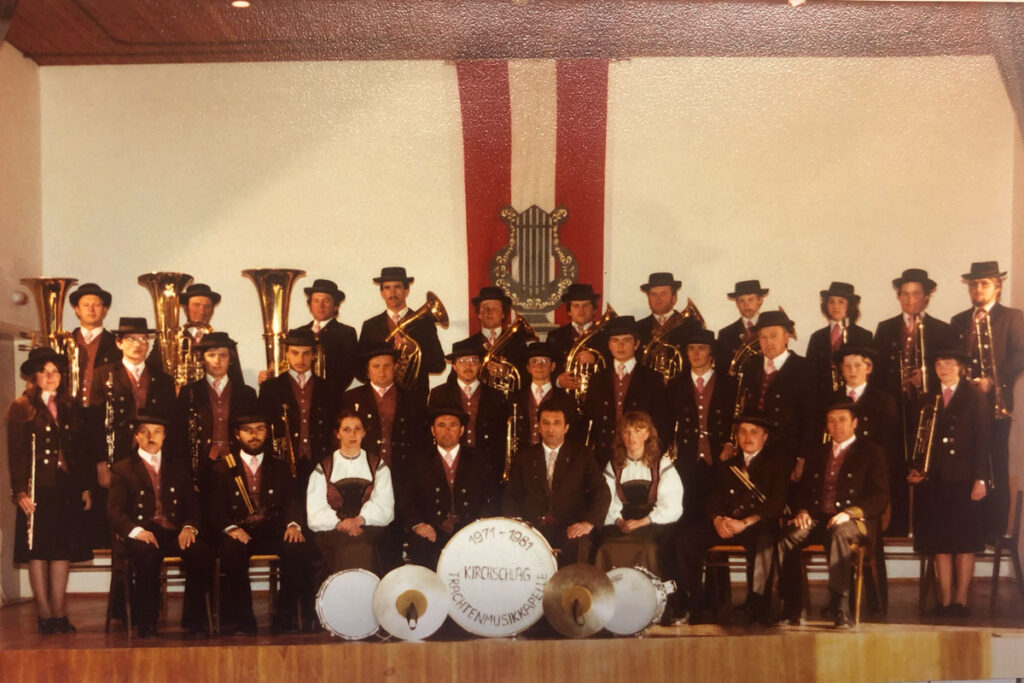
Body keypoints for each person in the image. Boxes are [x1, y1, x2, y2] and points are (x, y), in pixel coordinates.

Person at [776, 399, 889, 628]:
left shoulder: (872, 452)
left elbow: (880, 496)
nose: (837, 426)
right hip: (819, 518)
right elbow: (804, 491)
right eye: (831, 421)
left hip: (855, 522)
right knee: (788, 537)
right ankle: (793, 607)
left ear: (855, 423)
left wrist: (849, 512)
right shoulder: (818, 452)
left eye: (842, 420)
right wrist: (803, 510)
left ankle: (840, 606)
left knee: (839, 532)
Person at [6, 348, 93, 634]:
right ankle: (43, 613)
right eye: (44, 371)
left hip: (65, 486)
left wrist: (83, 487)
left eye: (55, 371)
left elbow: (79, 451)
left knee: (61, 551)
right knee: (38, 551)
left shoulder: (70, 405)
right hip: (36, 487)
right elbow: (16, 453)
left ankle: (59, 612)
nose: (50, 376)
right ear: (34, 376)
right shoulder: (21, 406)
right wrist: (20, 491)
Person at [674, 412, 787, 624]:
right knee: (686, 537)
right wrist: (717, 520)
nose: (747, 437)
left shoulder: (776, 465)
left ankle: (758, 605)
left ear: (765, 437)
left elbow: (776, 503)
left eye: (754, 432)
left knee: (765, 541)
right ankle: (689, 604)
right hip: (726, 524)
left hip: (755, 525)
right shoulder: (728, 464)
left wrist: (744, 523)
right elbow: (713, 498)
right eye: (742, 431)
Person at [106, 412, 213, 638]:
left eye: (156, 432)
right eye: (144, 432)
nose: (151, 437)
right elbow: (114, 510)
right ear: (137, 436)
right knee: (147, 554)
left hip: (173, 530)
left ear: (165, 436)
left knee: (200, 551)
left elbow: (193, 507)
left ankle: (194, 620)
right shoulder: (122, 468)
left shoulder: (178, 467)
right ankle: (147, 622)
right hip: (142, 531)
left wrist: (189, 527)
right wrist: (137, 531)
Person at [209, 413, 317, 634]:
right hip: (240, 528)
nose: (254, 435)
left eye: (260, 429)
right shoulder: (222, 468)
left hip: (272, 528)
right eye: (248, 430)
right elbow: (214, 508)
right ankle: (245, 621)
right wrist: (231, 528)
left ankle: (284, 618)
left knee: (297, 548)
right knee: (231, 552)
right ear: (237, 434)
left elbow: (292, 501)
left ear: (267, 433)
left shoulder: (280, 466)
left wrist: (294, 524)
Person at [908, 349, 991, 618]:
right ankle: (944, 602)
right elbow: (918, 440)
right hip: (934, 482)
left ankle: (961, 601)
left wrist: (981, 479)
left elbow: (982, 441)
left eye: (949, 363)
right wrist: (916, 469)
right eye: (938, 363)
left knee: (964, 543)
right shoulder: (927, 398)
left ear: (960, 368)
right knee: (939, 544)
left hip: (964, 480)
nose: (942, 368)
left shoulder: (974, 396)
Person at [949, 261, 1024, 538]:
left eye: (984, 283)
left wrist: (994, 379)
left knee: (996, 463)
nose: (978, 289)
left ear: (998, 286)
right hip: (967, 407)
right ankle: (970, 527)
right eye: (974, 284)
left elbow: (1020, 355)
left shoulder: (1012, 317)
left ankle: (994, 528)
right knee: (969, 464)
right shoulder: (958, 320)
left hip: (997, 404)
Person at [501, 396, 610, 566]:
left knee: (581, 543)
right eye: (546, 423)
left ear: (566, 427)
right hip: (532, 527)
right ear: (539, 426)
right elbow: (510, 497)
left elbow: (601, 492)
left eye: (557, 423)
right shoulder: (524, 458)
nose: (551, 428)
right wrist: (519, 526)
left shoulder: (583, 455)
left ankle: (575, 592)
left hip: (570, 527)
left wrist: (588, 523)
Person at [873, 268, 955, 492]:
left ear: (926, 297)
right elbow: (877, 374)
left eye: (916, 293)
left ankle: (924, 527)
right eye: (905, 294)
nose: (910, 299)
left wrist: (927, 378)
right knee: (894, 470)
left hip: (927, 413)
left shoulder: (943, 330)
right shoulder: (885, 328)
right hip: (894, 412)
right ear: (898, 297)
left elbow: (952, 375)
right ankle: (898, 527)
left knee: (927, 471)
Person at [399, 407, 499, 569]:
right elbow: (407, 500)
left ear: (461, 430)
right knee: (420, 547)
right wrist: (419, 524)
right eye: (441, 425)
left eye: (453, 425)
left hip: (471, 529)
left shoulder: (479, 459)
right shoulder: (419, 460)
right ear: (433, 430)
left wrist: (480, 527)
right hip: (433, 528)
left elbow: (492, 497)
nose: (447, 430)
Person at [594, 411, 682, 578]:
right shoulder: (614, 465)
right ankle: (611, 595)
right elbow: (606, 499)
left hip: (654, 522)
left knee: (646, 546)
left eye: (637, 430)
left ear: (648, 434)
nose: (631, 436)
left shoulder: (661, 464)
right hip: (622, 521)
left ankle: (650, 597)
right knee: (607, 546)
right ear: (621, 435)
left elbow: (672, 503)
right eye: (626, 431)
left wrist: (643, 521)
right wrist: (619, 521)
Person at [306, 410, 395, 574]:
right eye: (346, 429)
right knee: (346, 545)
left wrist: (360, 519)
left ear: (364, 433)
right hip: (332, 528)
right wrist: (340, 524)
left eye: (357, 429)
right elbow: (315, 511)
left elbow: (385, 504)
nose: (352, 434)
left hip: (370, 526)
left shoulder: (378, 466)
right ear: (337, 434)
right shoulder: (323, 468)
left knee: (365, 545)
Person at [583, 316, 670, 469]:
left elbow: (662, 422)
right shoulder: (597, 379)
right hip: (603, 456)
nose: (620, 345)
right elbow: (588, 419)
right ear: (609, 345)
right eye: (615, 340)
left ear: (636, 344)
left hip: (640, 456)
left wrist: (653, 455)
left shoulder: (653, 379)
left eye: (627, 340)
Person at [176, 332, 257, 496]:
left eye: (223, 355)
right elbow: (179, 435)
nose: (217, 360)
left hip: (238, 464)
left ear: (231, 359)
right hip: (201, 466)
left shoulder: (247, 393)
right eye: (211, 355)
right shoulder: (188, 392)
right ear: (202, 359)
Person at [736, 310, 815, 476]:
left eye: (774, 336)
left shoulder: (804, 368)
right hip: (753, 452)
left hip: (787, 453)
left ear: (786, 337)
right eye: (763, 337)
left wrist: (803, 458)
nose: (768, 342)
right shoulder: (751, 366)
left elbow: (811, 419)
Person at [667, 329, 735, 522]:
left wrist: (731, 444)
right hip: (687, 460)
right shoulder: (675, 385)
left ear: (711, 353)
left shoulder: (729, 384)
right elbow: (667, 423)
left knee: (717, 515)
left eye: (702, 348)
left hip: (720, 460)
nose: (696, 353)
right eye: (691, 348)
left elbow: (736, 420)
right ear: (686, 353)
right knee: (687, 516)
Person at [340, 342, 424, 490]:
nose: (382, 371)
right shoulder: (351, 398)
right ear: (368, 370)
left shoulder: (412, 399)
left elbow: (421, 442)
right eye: (376, 366)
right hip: (363, 473)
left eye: (387, 366)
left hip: (403, 475)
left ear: (395, 367)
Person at [257, 328, 335, 484]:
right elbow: (263, 427)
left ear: (314, 355)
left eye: (306, 353)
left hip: (320, 460)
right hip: (283, 463)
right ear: (286, 354)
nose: (301, 359)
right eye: (295, 353)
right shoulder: (270, 387)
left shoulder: (329, 388)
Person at [357, 266, 445, 403]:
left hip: (414, 398)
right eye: (387, 288)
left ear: (406, 290)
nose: (392, 292)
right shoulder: (370, 326)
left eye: (397, 287)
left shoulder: (425, 324)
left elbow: (438, 365)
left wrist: (414, 350)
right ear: (381, 293)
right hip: (379, 398)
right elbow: (360, 369)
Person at [427, 339, 507, 484]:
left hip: (487, 468)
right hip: (450, 466)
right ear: (455, 366)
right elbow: (432, 434)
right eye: (462, 361)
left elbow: (500, 439)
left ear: (480, 364)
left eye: (473, 360)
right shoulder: (439, 394)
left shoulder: (496, 396)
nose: (468, 366)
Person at [805, 282, 873, 397]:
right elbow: (809, 374)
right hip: (823, 397)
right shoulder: (817, 337)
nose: (835, 306)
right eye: (831, 301)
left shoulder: (863, 335)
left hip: (854, 396)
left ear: (850, 306)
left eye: (841, 302)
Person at [545, 283, 612, 395]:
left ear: (594, 310)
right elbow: (545, 368)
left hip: (598, 396)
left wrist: (596, 359)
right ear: (569, 311)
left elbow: (616, 365)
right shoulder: (555, 336)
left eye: (586, 305)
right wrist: (558, 380)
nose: (581, 310)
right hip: (564, 398)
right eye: (576, 306)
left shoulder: (606, 335)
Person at [635, 272, 703, 382]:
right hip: (647, 391)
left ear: (674, 297)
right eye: (653, 294)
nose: (658, 298)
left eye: (663, 293)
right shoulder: (638, 328)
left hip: (680, 390)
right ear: (648, 298)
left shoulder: (691, 326)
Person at [296, 278, 358, 396]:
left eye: (326, 301)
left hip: (329, 398)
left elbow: (346, 373)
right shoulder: (298, 332)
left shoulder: (346, 333)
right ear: (310, 305)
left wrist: (320, 393)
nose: (320, 305)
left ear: (335, 306)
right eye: (316, 301)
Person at [509, 341, 576, 450]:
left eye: (544, 361)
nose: (539, 366)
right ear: (528, 368)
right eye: (534, 361)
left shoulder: (566, 399)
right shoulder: (515, 398)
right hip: (522, 458)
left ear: (553, 366)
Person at [68, 282, 120, 407]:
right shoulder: (65, 342)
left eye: (96, 305)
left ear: (105, 310)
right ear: (77, 310)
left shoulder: (118, 344)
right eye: (86, 305)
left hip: (103, 414)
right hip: (70, 414)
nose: (91, 309)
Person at [716, 280, 769, 371]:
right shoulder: (725, 334)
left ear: (760, 300)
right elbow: (722, 370)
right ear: (736, 303)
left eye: (750, 299)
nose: (746, 305)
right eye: (741, 300)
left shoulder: (771, 330)